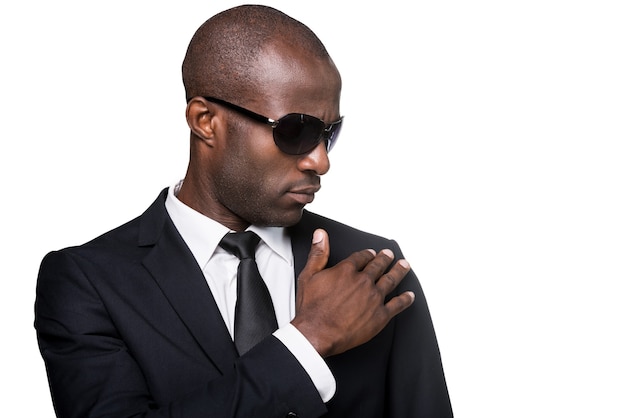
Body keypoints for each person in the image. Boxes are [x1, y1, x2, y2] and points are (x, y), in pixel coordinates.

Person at [34, 5, 453, 418]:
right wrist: (308, 341)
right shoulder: (88, 282)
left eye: (329, 134)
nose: (320, 162)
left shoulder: (374, 270)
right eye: (296, 130)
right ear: (205, 121)